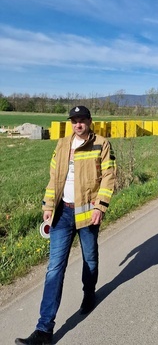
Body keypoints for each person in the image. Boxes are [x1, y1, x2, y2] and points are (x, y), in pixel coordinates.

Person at [16, 106, 116, 345]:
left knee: (89, 259)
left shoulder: (101, 144)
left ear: (90, 122)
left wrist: (100, 207)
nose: (78, 124)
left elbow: (109, 176)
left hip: (87, 212)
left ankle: (89, 293)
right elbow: (54, 178)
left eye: (82, 120)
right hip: (62, 214)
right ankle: (44, 330)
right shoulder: (62, 144)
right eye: (74, 121)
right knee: (54, 269)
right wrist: (48, 206)